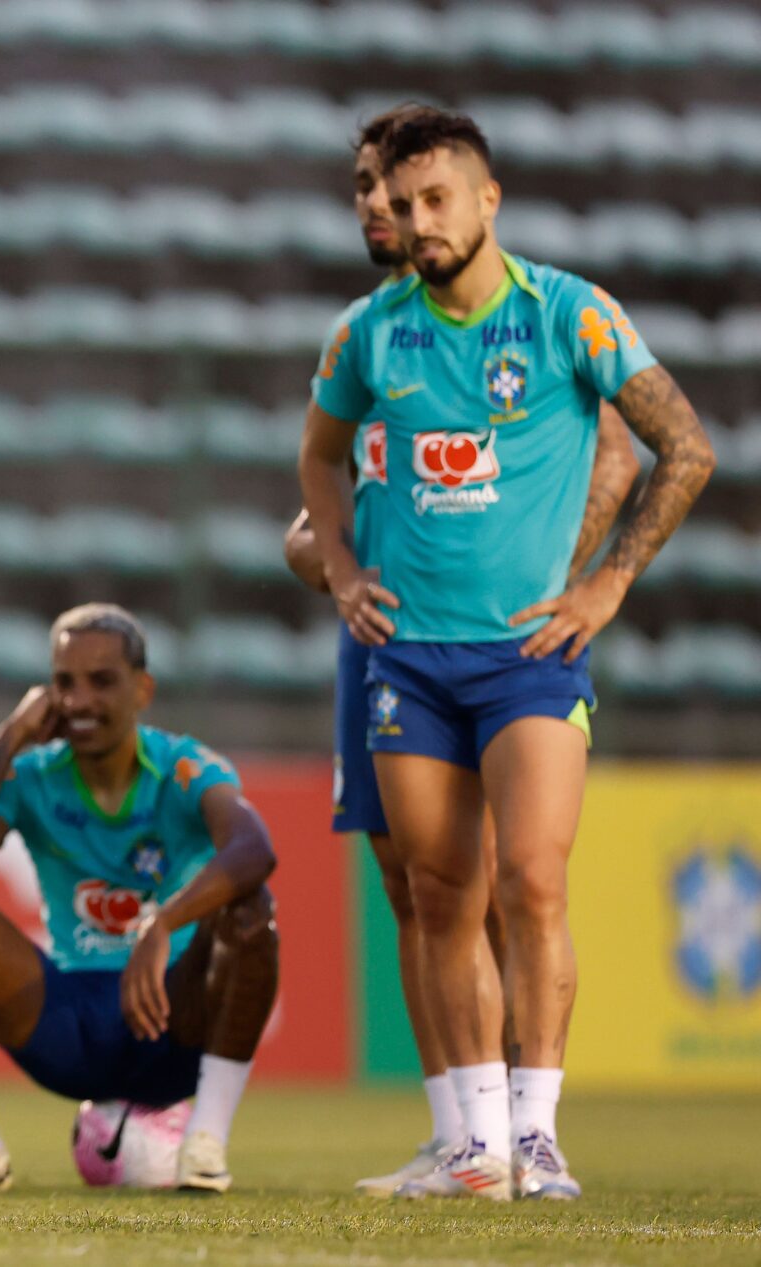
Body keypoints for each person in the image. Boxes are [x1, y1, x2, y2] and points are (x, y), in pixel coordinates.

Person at [298, 107, 714, 1199]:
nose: (413, 219)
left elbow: (684, 446)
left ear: (489, 202)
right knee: (437, 892)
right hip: (409, 663)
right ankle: (476, 1144)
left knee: (530, 882)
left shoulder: (570, 316)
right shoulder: (371, 332)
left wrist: (606, 582)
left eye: (436, 199)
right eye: (400, 201)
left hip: (529, 655)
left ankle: (539, 1134)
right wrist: (341, 569)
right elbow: (318, 458)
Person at [0, 604, 278, 1194]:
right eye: (64, 683)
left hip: (172, 1020)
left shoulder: (183, 767)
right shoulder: (36, 771)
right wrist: (13, 732)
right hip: (68, 1027)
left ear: (142, 689)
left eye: (101, 682)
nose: (78, 700)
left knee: (251, 908)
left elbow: (254, 850)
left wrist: (163, 924)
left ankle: (205, 1143)